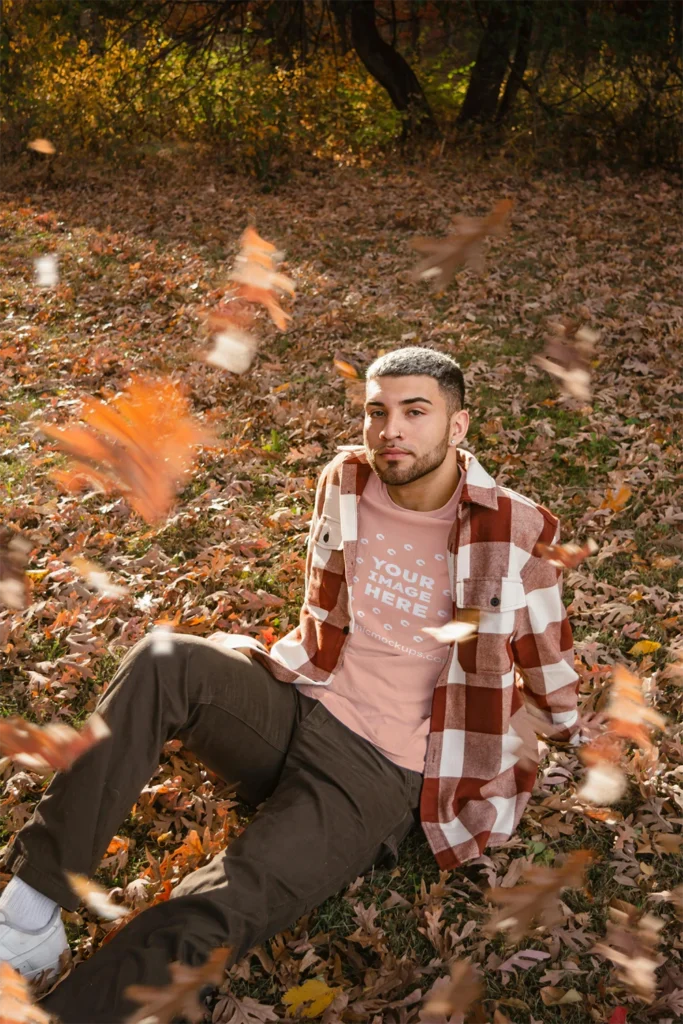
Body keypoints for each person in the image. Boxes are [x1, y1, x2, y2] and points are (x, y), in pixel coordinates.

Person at [0, 347, 579, 1022]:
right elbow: (324, 612)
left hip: (377, 771)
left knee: (219, 901)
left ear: (457, 427)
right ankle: (28, 915)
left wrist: (496, 763)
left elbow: (552, 684)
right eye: (376, 411)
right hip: (299, 702)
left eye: (414, 412)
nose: (390, 429)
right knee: (164, 658)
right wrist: (254, 662)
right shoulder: (346, 479)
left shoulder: (512, 531)